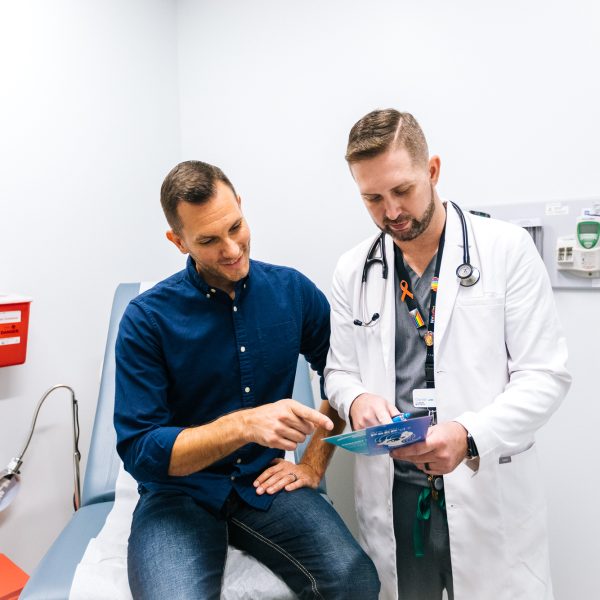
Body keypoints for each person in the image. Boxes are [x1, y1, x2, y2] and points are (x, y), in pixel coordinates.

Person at [324, 109, 571, 600]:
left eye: (402, 190)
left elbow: (546, 375)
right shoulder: (354, 270)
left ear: (432, 170)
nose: (390, 211)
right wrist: (354, 401)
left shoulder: (506, 250)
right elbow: (339, 370)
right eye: (372, 198)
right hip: (397, 492)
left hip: (483, 483)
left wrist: (468, 434)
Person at [114, 160, 380, 600]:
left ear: (240, 204)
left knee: (354, 580)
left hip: (265, 481)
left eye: (235, 226)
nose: (232, 248)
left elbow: (341, 373)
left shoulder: (291, 292)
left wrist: (313, 463)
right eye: (209, 240)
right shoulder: (147, 320)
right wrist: (243, 425)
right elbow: (140, 449)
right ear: (177, 240)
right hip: (178, 495)